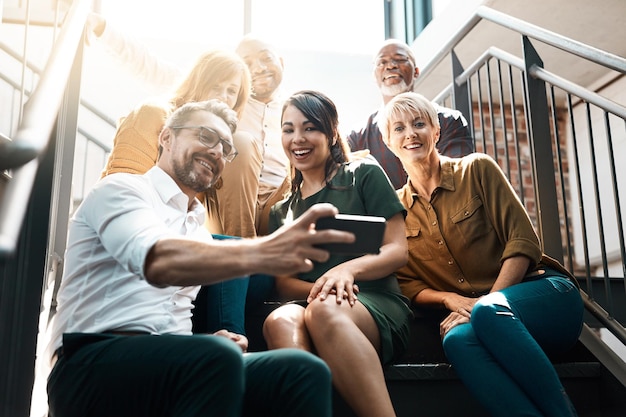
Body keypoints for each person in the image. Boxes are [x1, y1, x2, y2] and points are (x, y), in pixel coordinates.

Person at [45, 100, 356, 417]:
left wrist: (204, 339)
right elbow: (156, 260)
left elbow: (169, 329)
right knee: (215, 356)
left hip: (166, 363)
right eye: (206, 136)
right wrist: (264, 250)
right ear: (166, 137)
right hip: (89, 363)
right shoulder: (122, 189)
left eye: (225, 148)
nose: (217, 152)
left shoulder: (196, 230)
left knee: (300, 369)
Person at [378, 92, 584, 417]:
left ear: (436, 131)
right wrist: (449, 299)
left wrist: (481, 305)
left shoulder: (476, 169)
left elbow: (523, 241)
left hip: (546, 297)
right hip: (482, 319)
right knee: (457, 341)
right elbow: (405, 282)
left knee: (488, 311)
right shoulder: (395, 210)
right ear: (388, 142)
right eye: (399, 128)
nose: (410, 134)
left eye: (419, 124)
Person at [263, 91, 412, 417]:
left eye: (310, 128)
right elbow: (285, 284)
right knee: (278, 320)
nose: (297, 139)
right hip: (317, 300)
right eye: (288, 129)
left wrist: (346, 272)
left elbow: (398, 250)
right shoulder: (281, 212)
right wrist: (326, 288)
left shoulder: (364, 175)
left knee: (324, 311)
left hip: (374, 301)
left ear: (331, 133)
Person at [87, 14, 289, 236]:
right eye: (247, 62)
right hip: (219, 208)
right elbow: (148, 65)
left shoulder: (293, 113)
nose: (258, 68)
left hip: (277, 205)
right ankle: (242, 252)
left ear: (281, 61)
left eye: (231, 91)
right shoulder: (179, 113)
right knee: (241, 142)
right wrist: (102, 28)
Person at [347, 39, 474, 189]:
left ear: (416, 72)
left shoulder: (448, 120)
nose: (391, 65)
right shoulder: (357, 137)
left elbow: (458, 177)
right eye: (382, 62)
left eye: (400, 59)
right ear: (374, 76)